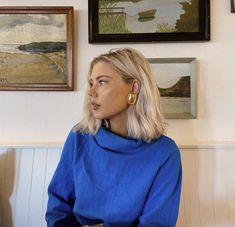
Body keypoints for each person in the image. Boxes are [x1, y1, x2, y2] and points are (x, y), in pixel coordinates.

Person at [45, 47, 182, 227]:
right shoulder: (79, 137)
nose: (91, 92)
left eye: (102, 82)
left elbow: (157, 223)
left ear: (134, 87)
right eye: (91, 82)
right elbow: (58, 207)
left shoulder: (165, 153)